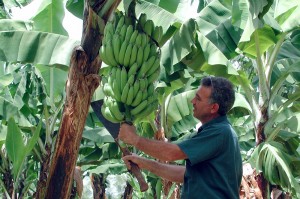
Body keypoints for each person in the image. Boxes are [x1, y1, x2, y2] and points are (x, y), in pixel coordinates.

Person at [118, 76, 243, 199]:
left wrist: (135, 139)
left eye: (198, 99)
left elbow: (172, 153)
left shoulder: (220, 132)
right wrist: (145, 163)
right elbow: (187, 174)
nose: (192, 101)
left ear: (214, 108)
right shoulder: (216, 132)